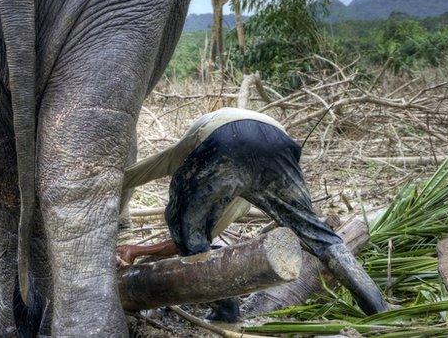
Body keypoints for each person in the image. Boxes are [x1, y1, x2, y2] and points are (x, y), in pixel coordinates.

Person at [118, 107, 389, 321]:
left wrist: (117, 183)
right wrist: (143, 250)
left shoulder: (202, 160)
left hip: (220, 138)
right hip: (280, 145)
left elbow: (189, 238)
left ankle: (226, 310)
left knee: (186, 229)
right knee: (321, 237)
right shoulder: (242, 200)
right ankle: (378, 306)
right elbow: (196, 239)